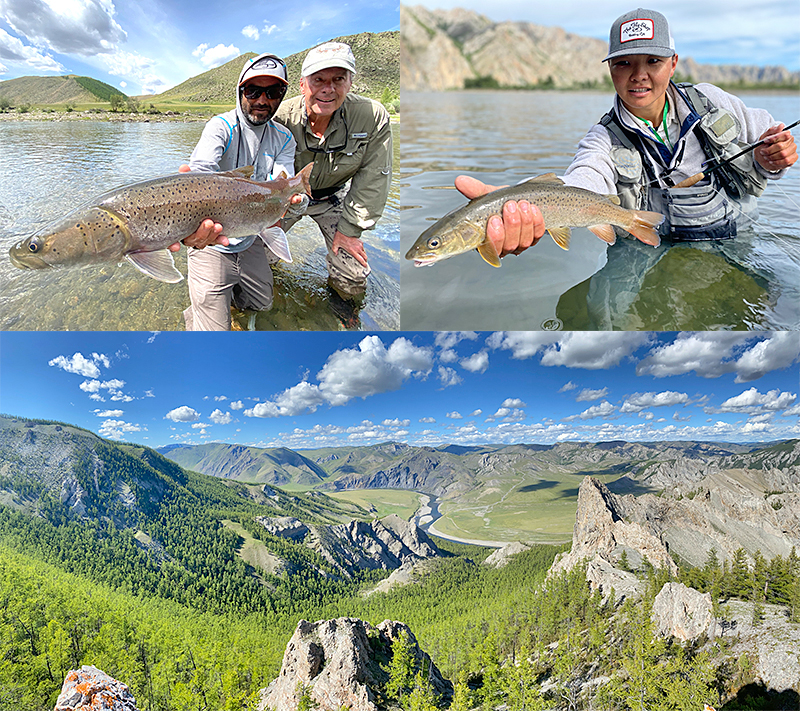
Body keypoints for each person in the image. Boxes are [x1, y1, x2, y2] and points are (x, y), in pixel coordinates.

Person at [459, 8, 797, 260]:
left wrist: (771, 158)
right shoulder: (601, 141)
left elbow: (770, 139)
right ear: (610, 69)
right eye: (624, 63)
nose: (639, 75)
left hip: (739, 241)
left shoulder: (713, 100)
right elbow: (583, 182)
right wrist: (520, 198)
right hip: (653, 252)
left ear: (673, 63)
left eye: (653, 61)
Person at [176, 52, 301, 331]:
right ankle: (200, 308)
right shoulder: (220, 127)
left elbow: (283, 183)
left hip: (250, 233)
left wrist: (294, 200)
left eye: (273, 92)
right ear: (240, 91)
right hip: (209, 238)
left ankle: (219, 296)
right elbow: (202, 169)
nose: (262, 100)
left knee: (262, 302)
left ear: (282, 95)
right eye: (253, 90)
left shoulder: (284, 139)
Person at [274, 41, 393, 305]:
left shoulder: (372, 117)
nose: (328, 89)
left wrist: (350, 230)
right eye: (318, 80)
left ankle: (344, 315)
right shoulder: (279, 117)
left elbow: (374, 178)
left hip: (333, 199)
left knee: (353, 276)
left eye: (339, 79)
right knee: (256, 259)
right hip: (287, 200)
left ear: (351, 82)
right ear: (302, 84)